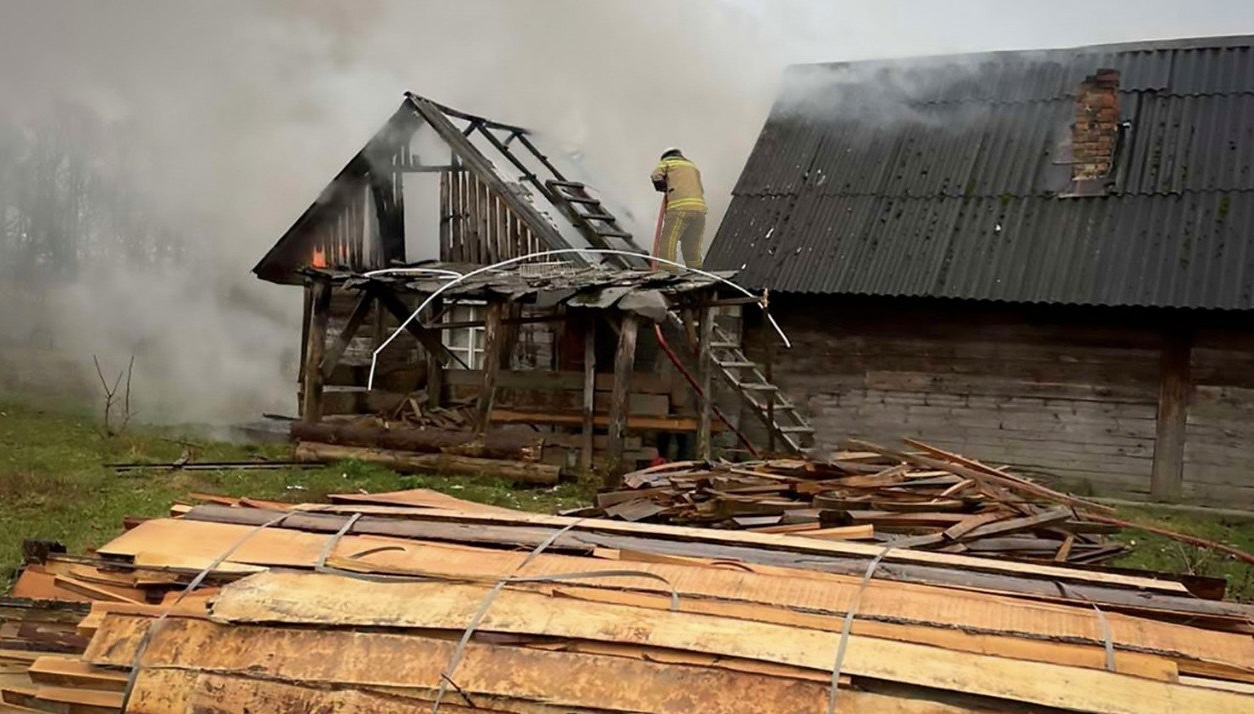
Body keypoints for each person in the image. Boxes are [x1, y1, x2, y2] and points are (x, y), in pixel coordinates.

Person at [650, 148, 707, 269]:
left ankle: (667, 270)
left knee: (668, 241)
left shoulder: (668, 162)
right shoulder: (692, 166)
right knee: (692, 246)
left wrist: (662, 186)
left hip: (679, 209)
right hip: (699, 211)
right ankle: (696, 271)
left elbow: (656, 176)